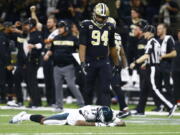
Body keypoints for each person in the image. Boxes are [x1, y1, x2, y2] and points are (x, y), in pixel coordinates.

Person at [130, 25, 176, 117]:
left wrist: (135, 63)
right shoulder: (155, 41)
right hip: (151, 66)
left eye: (145, 32)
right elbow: (152, 56)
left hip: (153, 68)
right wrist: (145, 64)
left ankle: (170, 106)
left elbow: (147, 55)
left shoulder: (151, 42)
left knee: (155, 89)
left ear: (150, 32)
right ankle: (140, 109)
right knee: (144, 89)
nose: (144, 34)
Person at [79, 3, 119, 106]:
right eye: (99, 16)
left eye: (103, 17)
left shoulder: (110, 27)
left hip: (103, 61)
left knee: (105, 89)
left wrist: (116, 63)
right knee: (88, 89)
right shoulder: (86, 25)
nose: (101, 19)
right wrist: (82, 62)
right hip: (90, 60)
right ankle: (87, 111)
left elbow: (112, 47)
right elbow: (82, 45)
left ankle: (106, 112)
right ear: (94, 14)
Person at [44, 20, 85, 111]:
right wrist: (47, 54)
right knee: (57, 86)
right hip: (57, 66)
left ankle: (81, 103)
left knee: (71, 85)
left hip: (68, 66)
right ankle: (59, 105)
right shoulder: (56, 38)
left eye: (61, 27)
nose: (59, 29)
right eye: (58, 27)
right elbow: (52, 49)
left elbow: (81, 49)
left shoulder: (73, 38)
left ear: (66, 28)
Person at [9, 105, 125, 127]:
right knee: (44, 121)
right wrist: (101, 125)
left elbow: (122, 123)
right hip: (72, 116)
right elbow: (79, 123)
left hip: (74, 114)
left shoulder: (109, 112)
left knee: (47, 119)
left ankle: (24, 116)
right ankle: (23, 116)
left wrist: (115, 123)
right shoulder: (88, 112)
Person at [153, 23, 176, 111]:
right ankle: (160, 106)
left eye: (159, 28)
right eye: (157, 28)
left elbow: (174, 53)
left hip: (166, 66)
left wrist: (163, 56)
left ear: (164, 29)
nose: (157, 30)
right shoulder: (157, 40)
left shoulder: (168, 39)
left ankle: (171, 105)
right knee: (157, 87)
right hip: (158, 66)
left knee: (167, 86)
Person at [23, 18, 43, 107]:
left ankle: (36, 102)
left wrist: (33, 45)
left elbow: (41, 44)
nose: (26, 26)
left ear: (31, 25)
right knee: (29, 81)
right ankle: (33, 100)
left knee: (32, 81)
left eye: (27, 24)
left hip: (34, 60)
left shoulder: (37, 34)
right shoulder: (29, 34)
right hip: (29, 60)